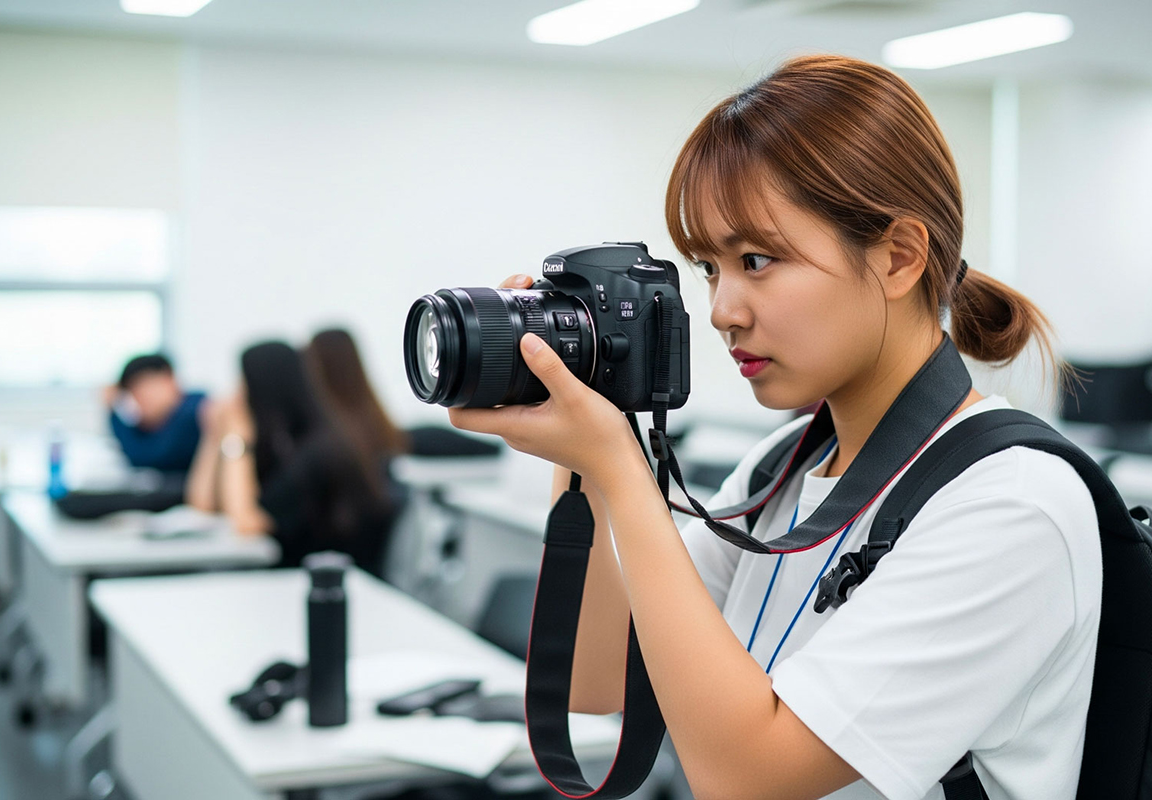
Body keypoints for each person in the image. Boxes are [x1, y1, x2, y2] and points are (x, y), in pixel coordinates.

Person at [450, 55, 1102, 799]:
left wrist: (623, 473)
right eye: (709, 267)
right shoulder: (781, 469)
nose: (722, 311)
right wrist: (581, 441)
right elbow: (598, 680)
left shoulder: (1012, 505)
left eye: (756, 260)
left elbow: (748, 778)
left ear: (898, 258)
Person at [187, 339, 400, 577]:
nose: (236, 395)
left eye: (243, 382)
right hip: (289, 578)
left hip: (328, 579)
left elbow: (247, 523)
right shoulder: (280, 443)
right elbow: (202, 503)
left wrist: (236, 437)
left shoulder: (319, 450)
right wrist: (213, 435)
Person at [105, 353, 207, 473]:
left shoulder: (196, 410)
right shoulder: (159, 422)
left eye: (145, 386)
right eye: (133, 391)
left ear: (168, 379)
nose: (140, 397)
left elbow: (147, 457)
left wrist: (113, 412)